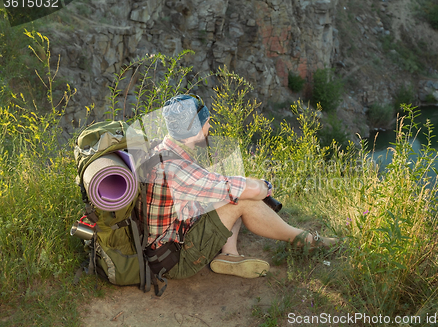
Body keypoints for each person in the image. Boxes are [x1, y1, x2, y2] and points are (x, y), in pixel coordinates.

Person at [140, 94, 339, 280]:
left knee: (233, 191)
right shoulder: (177, 168)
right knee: (243, 200)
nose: (209, 126)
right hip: (173, 260)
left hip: (168, 243)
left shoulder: (165, 151)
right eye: (206, 121)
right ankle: (308, 242)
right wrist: (264, 187)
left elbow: (210, 181)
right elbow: (248, 190)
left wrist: (243, 184)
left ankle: (229, 255)